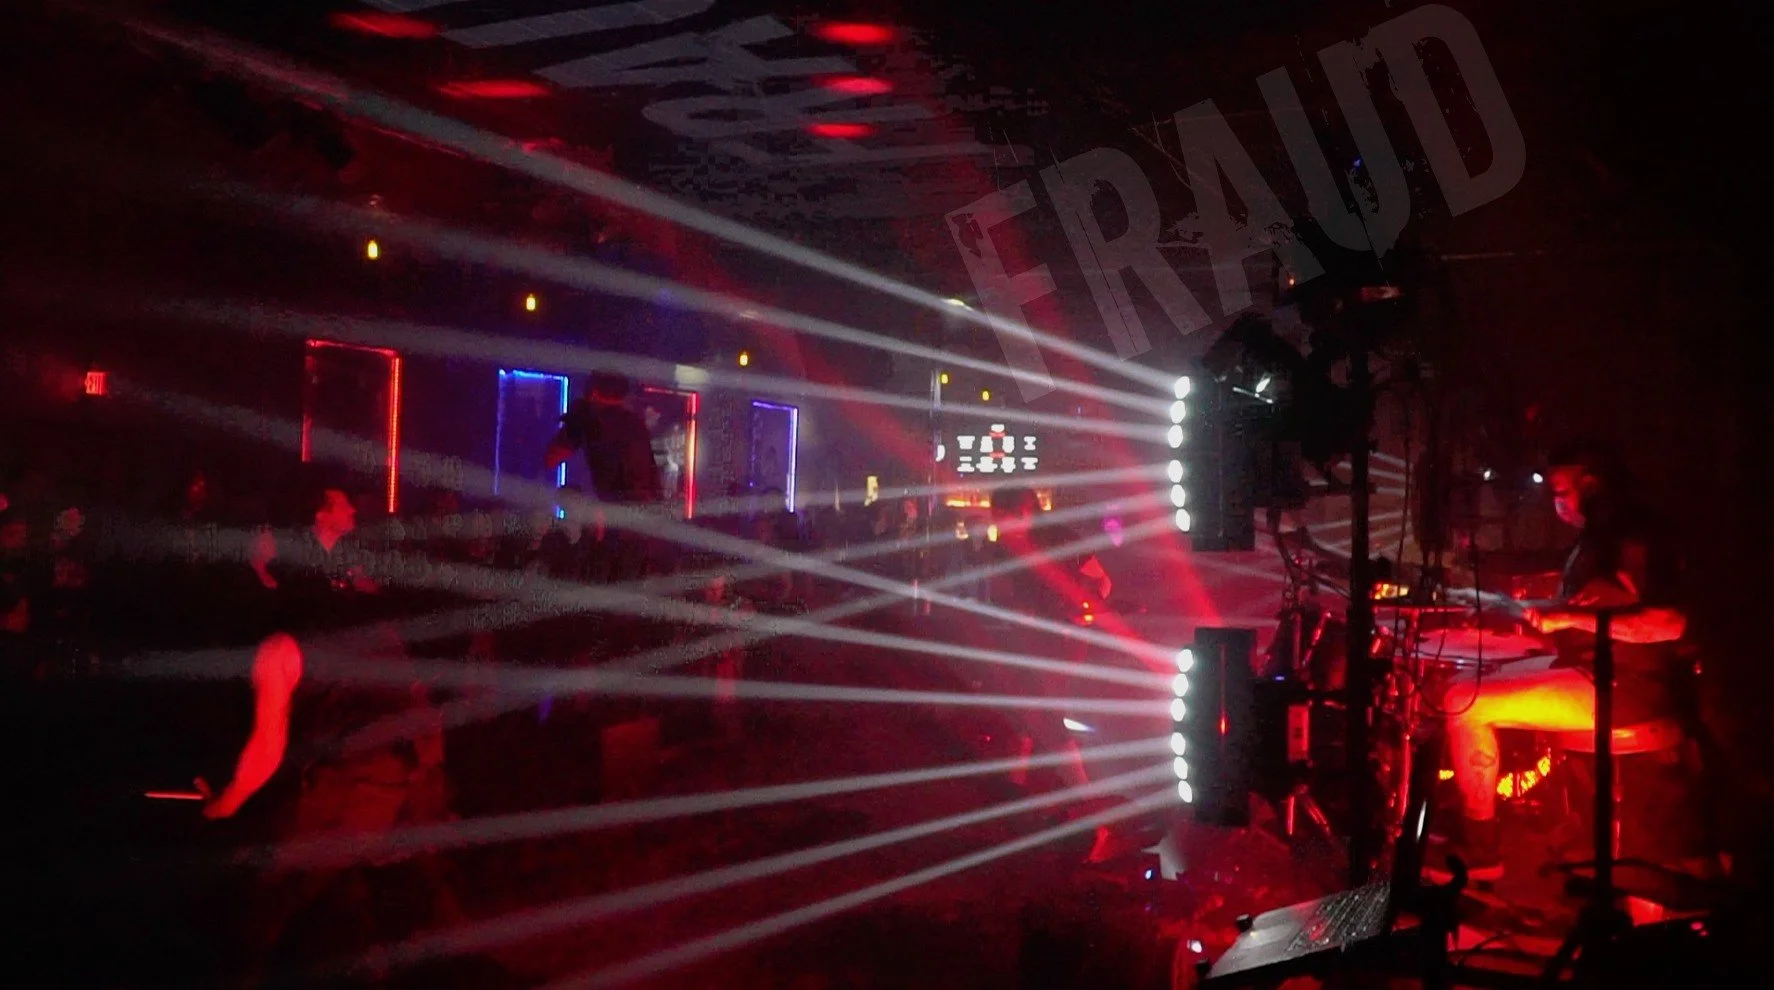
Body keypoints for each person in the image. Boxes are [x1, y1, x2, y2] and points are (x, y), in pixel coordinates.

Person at [202, 481, 448, 985]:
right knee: (337, 884)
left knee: (270, 895)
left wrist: (228, 801)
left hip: (348, 779)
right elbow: (419, 696)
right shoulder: (369, 622)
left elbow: (267, 748)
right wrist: (426, 779)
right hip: (392, 772)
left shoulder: (279, 646)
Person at [1434, 441, 1687, 880]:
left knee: (1463, 700)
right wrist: (1493, 604)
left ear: (1591, 484)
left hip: (1624, 686)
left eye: (1561, 492)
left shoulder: (1634, 537)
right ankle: (1493, 825)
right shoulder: (1597, 539)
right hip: (1591, 671)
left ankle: (1480, 850)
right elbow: (1578, 609)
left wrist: (1570, 618)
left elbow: (1669, 623)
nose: (1557, 504)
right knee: (1466, 681)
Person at [545, 372, 661, 581]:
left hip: (613, 527)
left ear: (594, 392)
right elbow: (653, 480)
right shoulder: (636, 425)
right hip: (638, 527)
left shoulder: (588, 419)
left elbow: (551, 457)